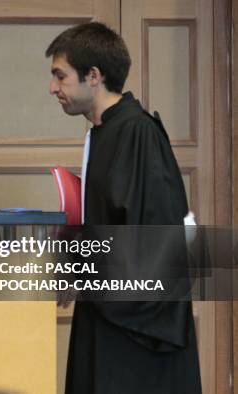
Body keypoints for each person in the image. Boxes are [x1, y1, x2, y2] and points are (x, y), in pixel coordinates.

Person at [46, 22, 201, 393]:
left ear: (94, 76)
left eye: (60, 76)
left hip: (136, 334)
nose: (53, 88)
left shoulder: (137, 133)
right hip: (106, 314)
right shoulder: (105, 131)